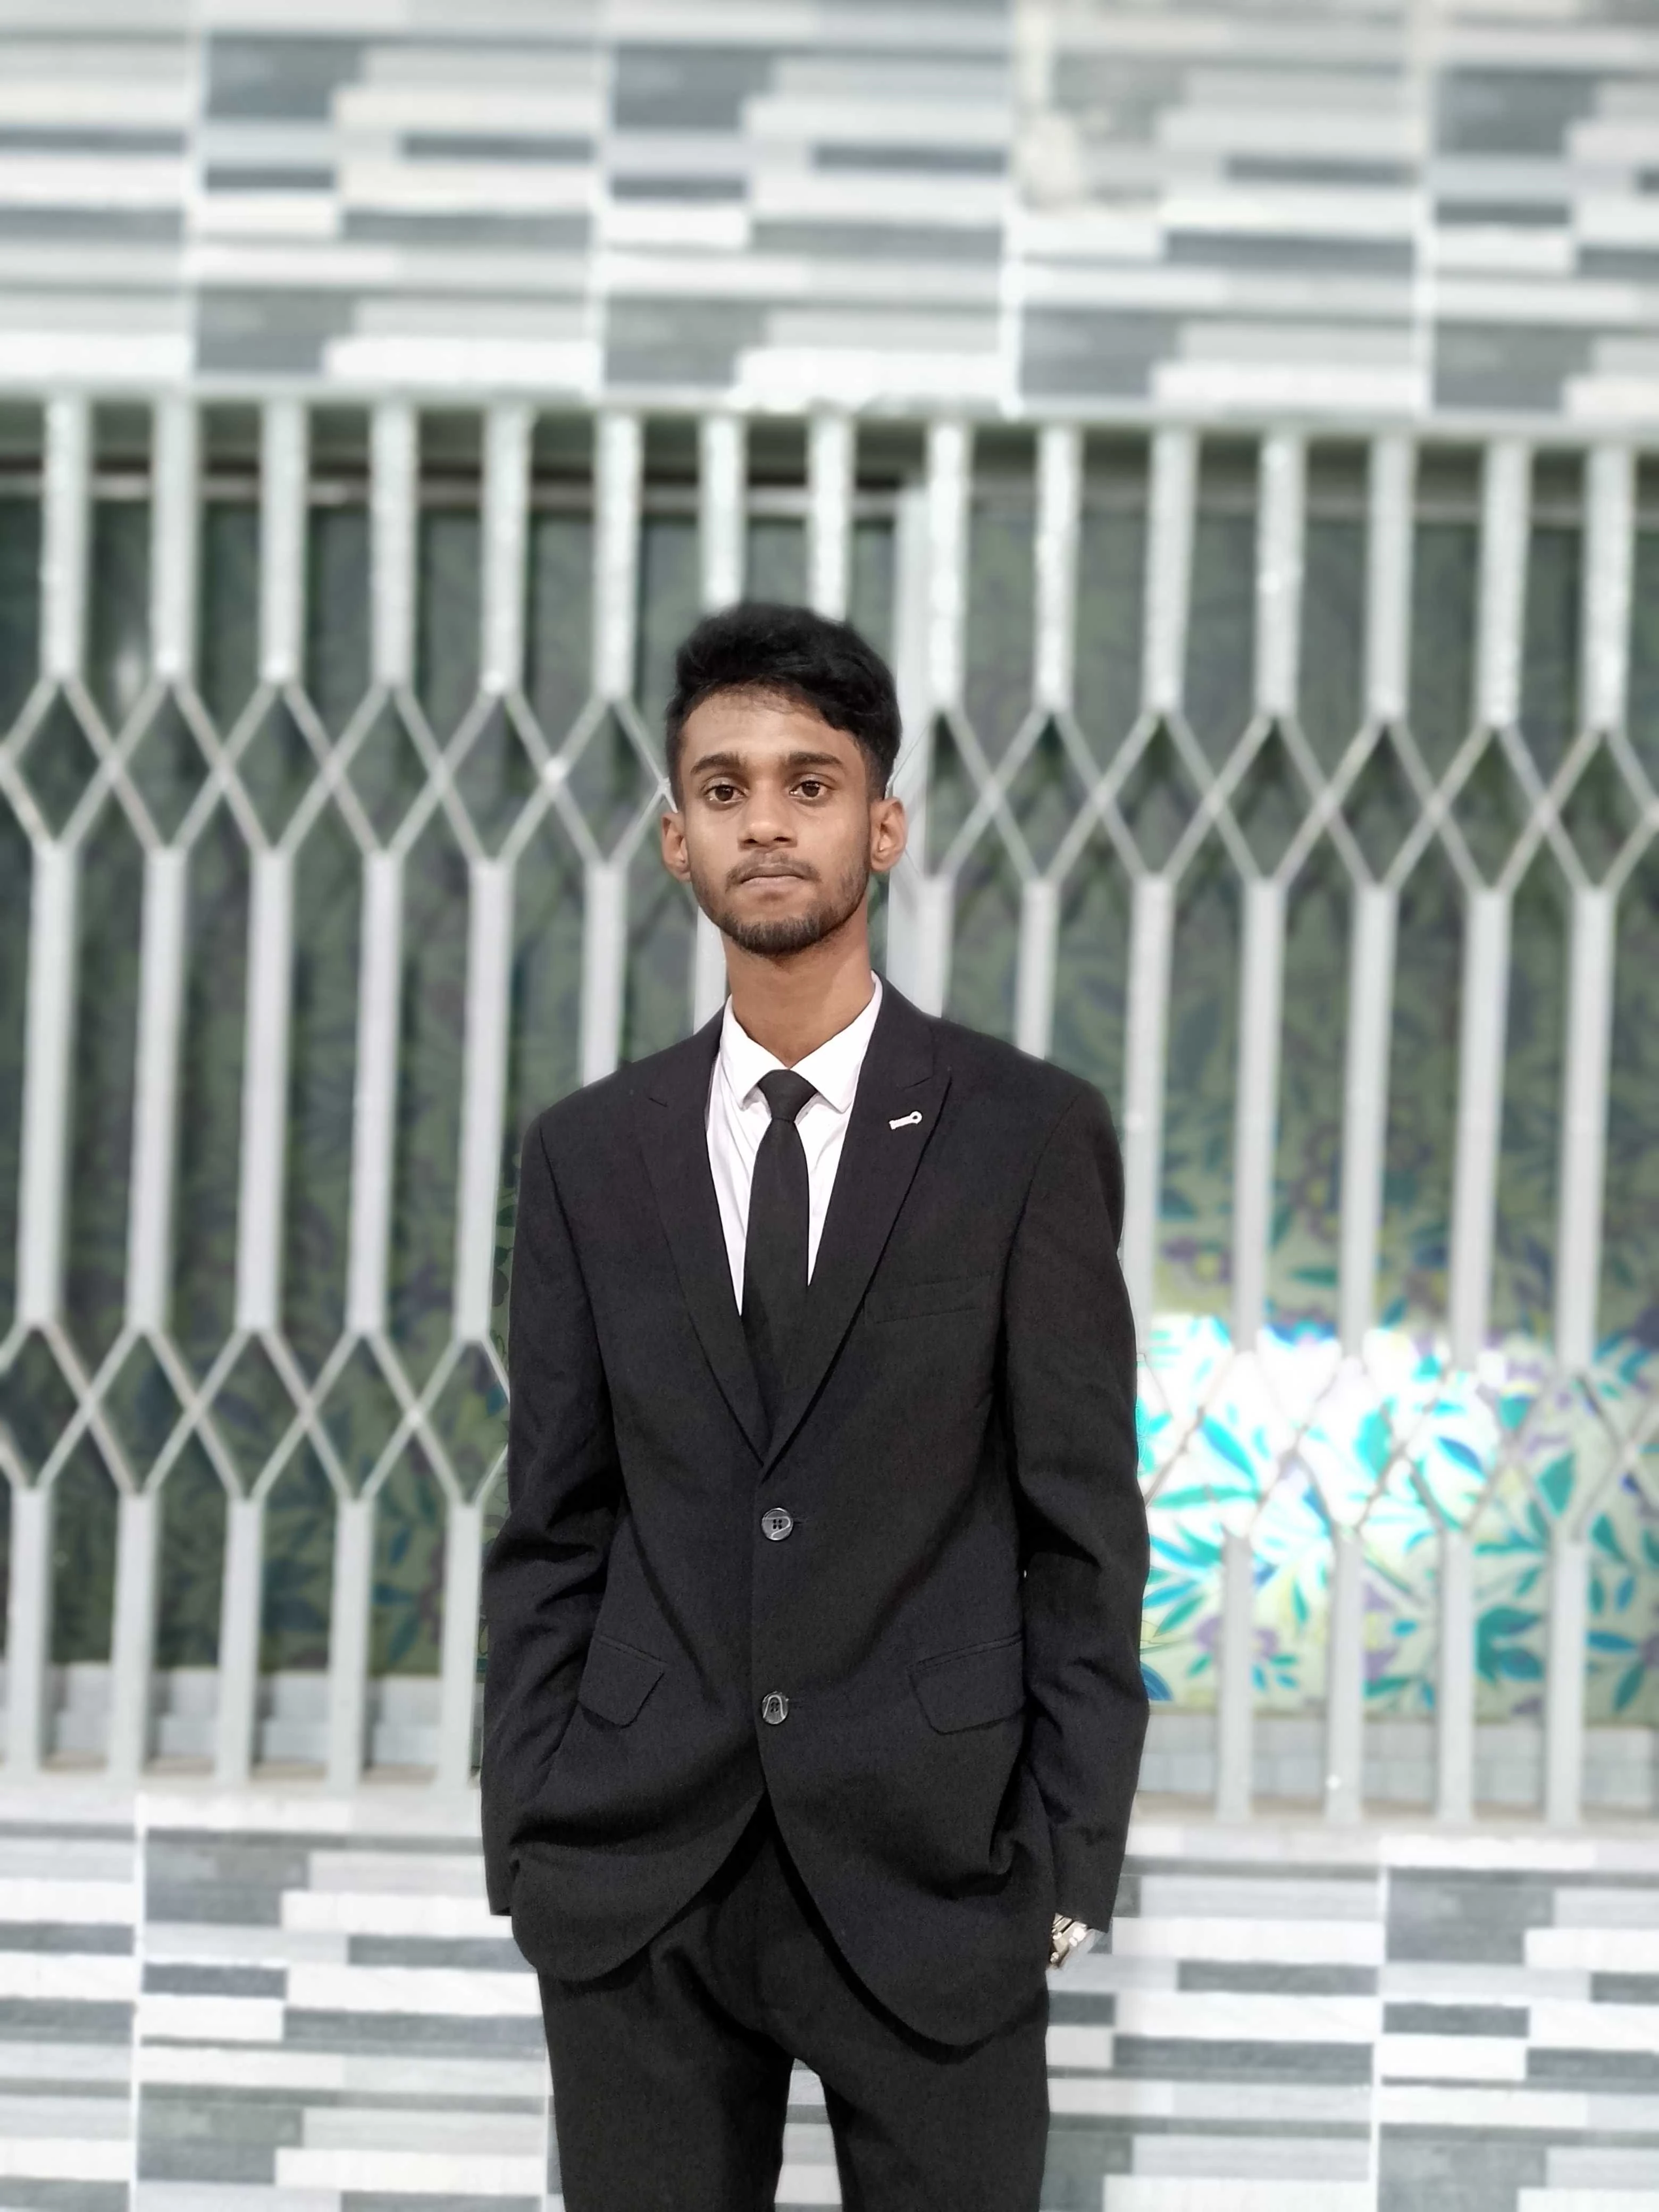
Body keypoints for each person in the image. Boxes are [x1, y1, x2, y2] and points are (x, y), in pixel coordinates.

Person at [481, 601, 1148, 2212]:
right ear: (675, 839)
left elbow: (1081, 1526)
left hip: (938, 1871)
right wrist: (531, 1828)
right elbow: (555, 1521)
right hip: (642, 1874)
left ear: (883, 825)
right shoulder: (589, 1154)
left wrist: (1065, 1863)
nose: (766, 821)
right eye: (723, 789)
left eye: (810, 782)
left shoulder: (1024, 1135)